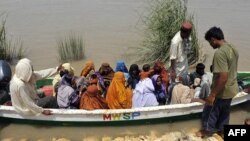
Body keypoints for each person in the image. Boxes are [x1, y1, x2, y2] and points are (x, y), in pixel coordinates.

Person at [196, 27, 239, 138]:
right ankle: (223, 132)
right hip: (232, 88)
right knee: (225, 112)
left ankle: (207, 131)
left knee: (210, 110)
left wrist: (212, 94)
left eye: (210, 42)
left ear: (214, 39)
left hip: (222, 90)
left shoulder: (220, 53)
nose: (210, 44)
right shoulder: (232, 48)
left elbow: (223, 77)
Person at [170, 21, 192, 86]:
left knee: (184, 82)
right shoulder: (175, 42)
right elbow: (172, 58)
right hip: (177, 68)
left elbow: (187, 51)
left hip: (185, 64)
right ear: (183, 32)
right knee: (176, 85)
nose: (189, 36)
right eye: (188, 34)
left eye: (189, 34)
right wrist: (173, 72)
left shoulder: (187, 36)